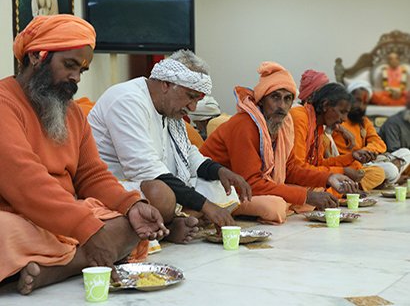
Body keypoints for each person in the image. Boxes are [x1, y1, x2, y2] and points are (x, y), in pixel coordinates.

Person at [0, 15, 168, 295]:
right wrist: (86, 229)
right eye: (69, 65)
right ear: (36, 57)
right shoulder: (5, 103)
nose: (76, 78)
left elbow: (92, 174)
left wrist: (131, 205)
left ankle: (53, 271)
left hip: (65, 214)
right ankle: (79, 258)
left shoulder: (72, 111)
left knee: (128, 224)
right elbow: (24, 182)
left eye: (82, 70)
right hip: (16, 213)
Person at [88, 50, 252, 242]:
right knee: (161, 195)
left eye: (196, 100)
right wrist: (206, 206)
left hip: (154, 182)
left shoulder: (169, 110)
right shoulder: (127, 100)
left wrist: (220, 171)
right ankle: (173, 224)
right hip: (119, 188)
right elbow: (146, 171)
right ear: (166, 84)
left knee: (220, 187)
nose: (192, 108)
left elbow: (188, 154)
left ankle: (175, 222)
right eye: (190, 97)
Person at [200, 62, 357, 224]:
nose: (282, 106)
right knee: (275, 206)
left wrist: (329, 177)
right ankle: (226, 211)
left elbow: (291, 169)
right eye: (275, 97)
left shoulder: (282, 125)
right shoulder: (245, 124)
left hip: (248, 187)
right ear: (261, 100)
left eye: (287, 99)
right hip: (218, 188)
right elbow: (251, 183)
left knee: (302, 195)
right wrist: (306, 196)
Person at [290, 81, 384, 192]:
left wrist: (352, 156)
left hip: (306, 177)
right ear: (325, 105)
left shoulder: (318, 126)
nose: (344, 119)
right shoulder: (300, 118)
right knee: (327, 188)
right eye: (342, 112)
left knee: (357, 167)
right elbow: (296, 170)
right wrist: (342, 171)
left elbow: (319, 163)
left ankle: (342, 189)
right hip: (292, 180)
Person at [330, 81, 387, 186]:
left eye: (365, 103)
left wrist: (365, 151)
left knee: (405, 153)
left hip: (363, 163)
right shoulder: (337, 119)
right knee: (387, 171)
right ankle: (350, 186)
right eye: (358, 100)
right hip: (345, 164)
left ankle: (351, 184)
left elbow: (379, 143)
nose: (361, 106)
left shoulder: (364, 122)